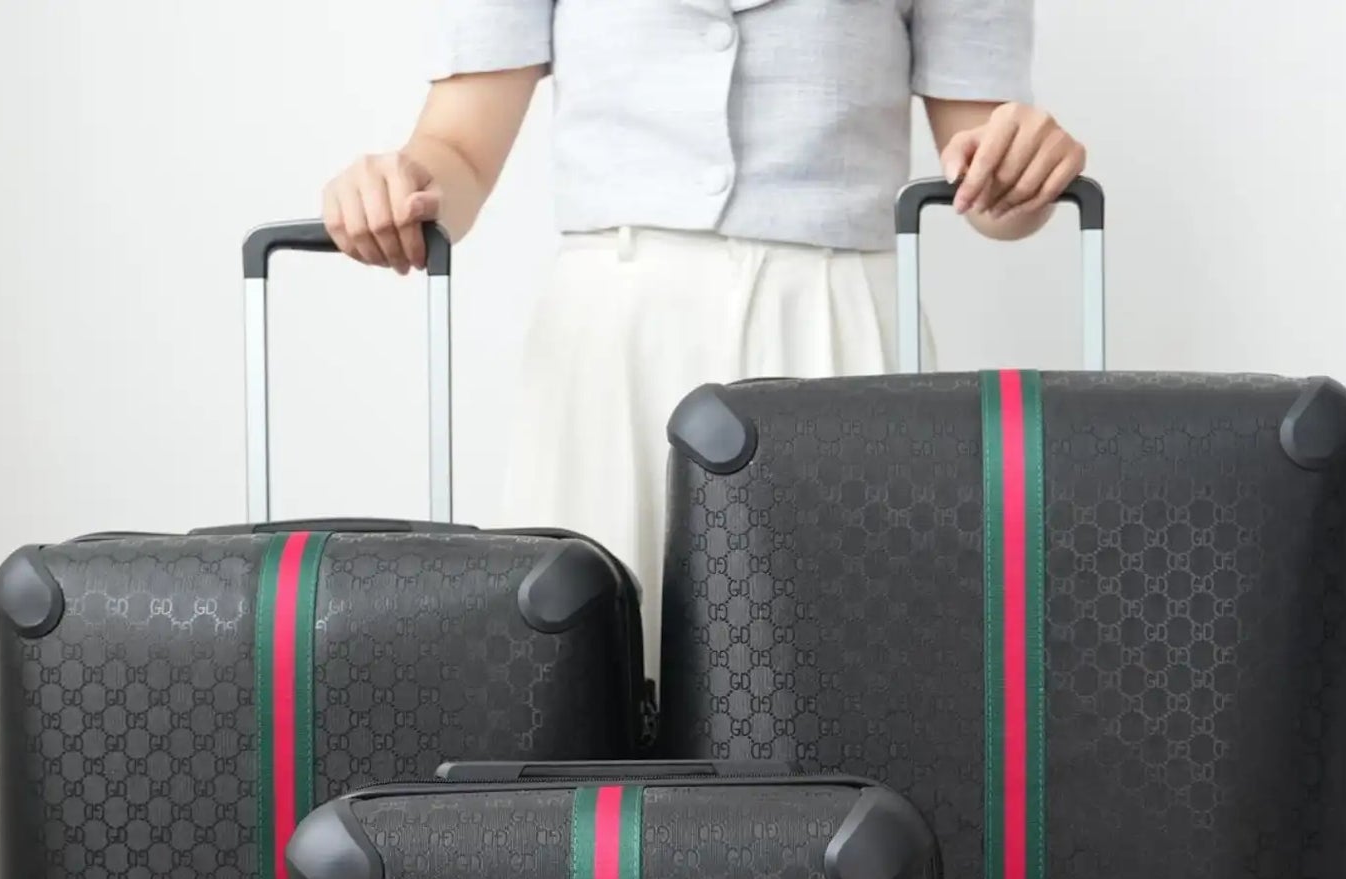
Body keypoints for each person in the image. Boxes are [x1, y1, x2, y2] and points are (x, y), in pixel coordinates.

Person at [323, 2, 1085, 660]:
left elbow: (983, 162)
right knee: (580, 672)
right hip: (614, 341)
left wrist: (1023, 164)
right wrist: (401, 189)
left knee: (853, 677)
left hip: (839, 326)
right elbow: (459, 149)